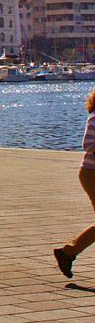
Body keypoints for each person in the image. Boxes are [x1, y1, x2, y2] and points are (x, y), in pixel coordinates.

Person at [55, 89, 95, 278]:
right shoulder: (94, 118)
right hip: (91, 173)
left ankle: (68, 252)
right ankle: (68, 252)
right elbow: (88, 144)